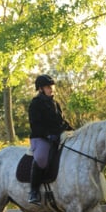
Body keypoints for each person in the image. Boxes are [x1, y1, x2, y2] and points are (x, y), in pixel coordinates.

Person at [27, 74, 73, 204]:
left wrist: (73, 130)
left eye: (51, 86)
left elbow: (62, 122)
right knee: (41, 158)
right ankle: (33, 191)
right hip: (40, 138)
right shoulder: (35, 104)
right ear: (40, 89)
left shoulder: (55, 103)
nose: (51, 89)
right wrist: (47, 135)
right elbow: (34, 124)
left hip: (57, 136)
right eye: (48, 87)